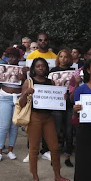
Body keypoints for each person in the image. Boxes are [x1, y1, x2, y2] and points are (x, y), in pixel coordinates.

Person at [19, 57, 70, 181]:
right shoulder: (29, 82)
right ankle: (35, 176)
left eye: (43, 66)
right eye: (38, 66)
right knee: (34, 148)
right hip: (34, 117)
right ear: (33, 69)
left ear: (46, 68)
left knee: (54, 147)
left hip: (48, 117)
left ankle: (57, 174)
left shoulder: (50, 82)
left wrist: (62, 98)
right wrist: (26, 93)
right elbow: (21, 103)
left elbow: (55, 101)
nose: (41, 68)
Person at [23, 33, 56, 162]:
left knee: (48, 128)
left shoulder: (54, 56)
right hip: (34, 95)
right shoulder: (31, 56)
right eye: (40, 40)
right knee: (31, 129)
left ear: (48, 41)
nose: (43, 42)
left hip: (47, 95)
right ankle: (31, 152)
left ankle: (46, 151)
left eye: (45, 40)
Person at [0, 47, 27, 162]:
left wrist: (24, 76)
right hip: (5, 98)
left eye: (14, 57)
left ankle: (10, 150)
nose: (12, 59)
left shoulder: (22, 69)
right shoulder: (4, 68)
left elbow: (25, 85)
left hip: (17, 99)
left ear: (19, 58)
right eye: (10, 57)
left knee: (14, 126)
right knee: (3, 126)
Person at [50, 49, 75, 167]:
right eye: (61, 57)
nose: (63, 59)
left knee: (69, 131)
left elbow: (76, 88)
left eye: (66, 57)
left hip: (70, 105)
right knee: (56, 130)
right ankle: (54, 156)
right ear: (58, 58)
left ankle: (67, 156)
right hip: (56, 105)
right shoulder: (53, 71)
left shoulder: (74, 72)